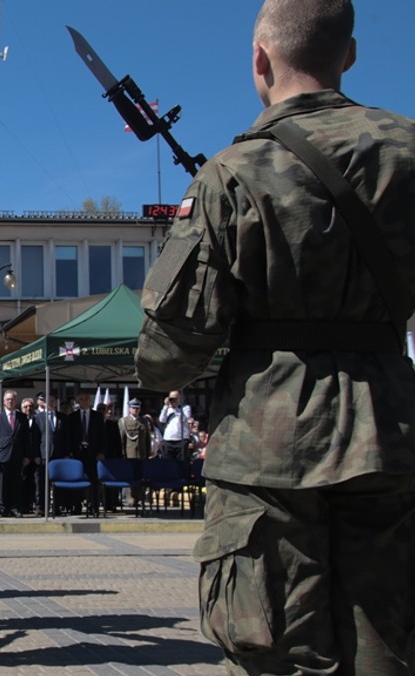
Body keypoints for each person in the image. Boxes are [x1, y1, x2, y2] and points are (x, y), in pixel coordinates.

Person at [136, 1, 415, 673]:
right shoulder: (408, 152)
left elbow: (169, 355)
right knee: (392, 651)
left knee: (278, 654)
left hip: (270, 453)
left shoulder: (232, 174)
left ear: (260, 60)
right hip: (395, 433)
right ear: (349, 56)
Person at [0, 389, 26, 516]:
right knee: (3, 484)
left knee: (16, 483)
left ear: (16, 401)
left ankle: (15, 508)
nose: (10, 401)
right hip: (3, 455)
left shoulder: (22, 417)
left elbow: (26, 438)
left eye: (12, 399)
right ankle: (4, 507)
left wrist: (26, 455)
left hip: (18, 455)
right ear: (4, 402)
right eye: (8, 399)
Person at [157, 390, 192, 462]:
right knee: (168, 462)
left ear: (180, 398)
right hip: (168, 439)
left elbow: (184, 419)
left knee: (181, 462)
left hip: (181, 439)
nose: (173, 399)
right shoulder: (167, 408)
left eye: (175, 398)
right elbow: (161, 420)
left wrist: (176, 408)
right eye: (171, 397)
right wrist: (166, 406)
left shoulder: (185, 408)